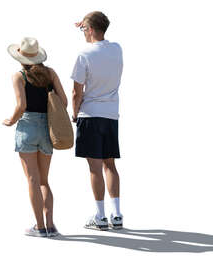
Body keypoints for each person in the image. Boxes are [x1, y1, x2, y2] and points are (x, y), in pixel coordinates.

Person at [3, 37, 68, 237]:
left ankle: (39, 227)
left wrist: (10, 121)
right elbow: (64, 102)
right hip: (48, 129)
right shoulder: (51, 73)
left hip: (28, 128)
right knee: (44, 181)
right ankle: (50, 226)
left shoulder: (19, 76)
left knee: (32, 179)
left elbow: (21, 106)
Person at [71, 11, 123, 230]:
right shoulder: (117, 49)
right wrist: (87, 22)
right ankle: (117, 214)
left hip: (90, 115)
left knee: (95, 168)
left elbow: (76, 92)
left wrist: (74, 114)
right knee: (110, 165)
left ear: (90, 29)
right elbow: (97, 31)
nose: (82, 32)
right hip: (111, 114)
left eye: (84, 29)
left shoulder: (84, 54)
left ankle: (100, 216)